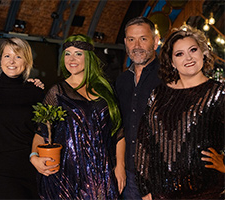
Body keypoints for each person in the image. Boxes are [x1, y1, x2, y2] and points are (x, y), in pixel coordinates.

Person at [30, 34, 126, 199]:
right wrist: (34, 157)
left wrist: (120, 166)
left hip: (103, 173)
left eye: (78, 53)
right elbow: (41, 131)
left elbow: (118, 131)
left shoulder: (106, 89)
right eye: (67, 54)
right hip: (68, 174)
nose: (71, 59)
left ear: (88, 57)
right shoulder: (57, 92)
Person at [135, 26, 225, 199]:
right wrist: (144, 188)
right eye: (179, 54)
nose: (188, 57)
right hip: (161, 194)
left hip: (207, 193)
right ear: (171, 62)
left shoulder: (219, 93)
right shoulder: (158, 94)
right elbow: (144, 141)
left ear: (204, 53)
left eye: (193, 50)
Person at [0, 37, 44, 199]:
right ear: (0, 59)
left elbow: (43, 129)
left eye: (18, 56)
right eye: (7, 56)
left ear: (27, 62)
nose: (12, 61)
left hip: (29, 164)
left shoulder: (35, 91)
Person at [115, 16, 161, 199]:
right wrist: (119, 165)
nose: (137, 45)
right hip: (128, 174)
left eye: (143, 38)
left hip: (158, 175)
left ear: (155, 41)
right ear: (126, 43)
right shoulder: (122, 81)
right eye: (131, 40)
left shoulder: (169, 77)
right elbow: (119, 126)